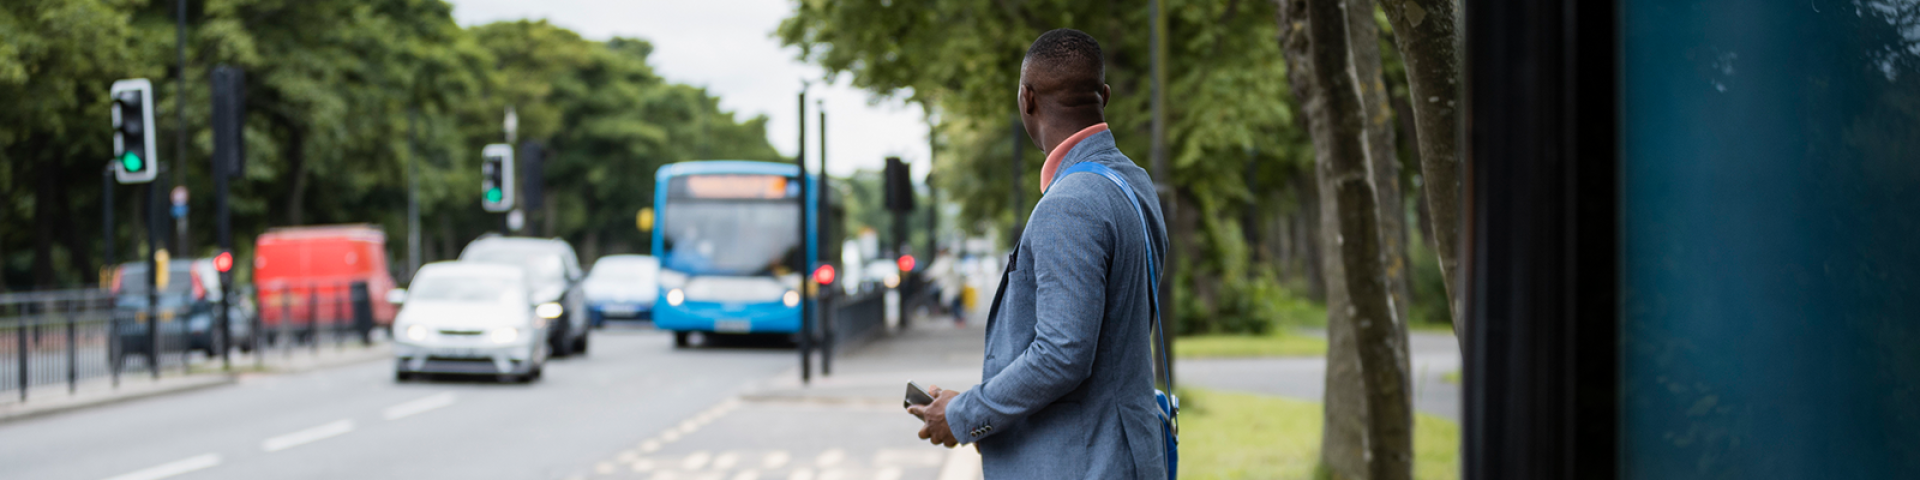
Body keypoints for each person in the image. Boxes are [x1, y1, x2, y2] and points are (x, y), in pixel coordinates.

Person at [907, 28, 1169, 479]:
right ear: (1103, 95)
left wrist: (963, 413)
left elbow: (1062, 353)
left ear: (1026, 99)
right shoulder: (1134, 183)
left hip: (1079, 462)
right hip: (1130, 453)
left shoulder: (1068, 204)